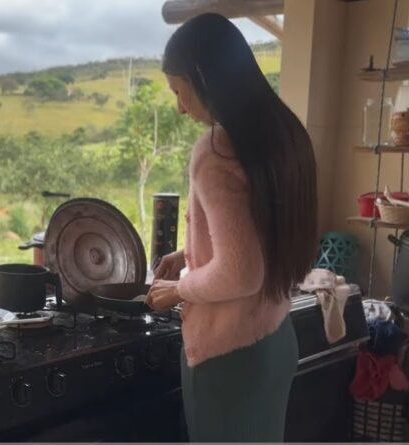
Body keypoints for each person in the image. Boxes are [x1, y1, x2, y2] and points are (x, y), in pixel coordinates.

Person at [145, 13, 318, 442]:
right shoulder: (283, 133)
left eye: (179, 91)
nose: (180, 106)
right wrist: (191, 253)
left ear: (203, 77)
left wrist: (179, 288)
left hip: (228, 354)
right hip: (275, 339)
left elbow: (241, 272)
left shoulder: (216, 149)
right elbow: (256, 232)